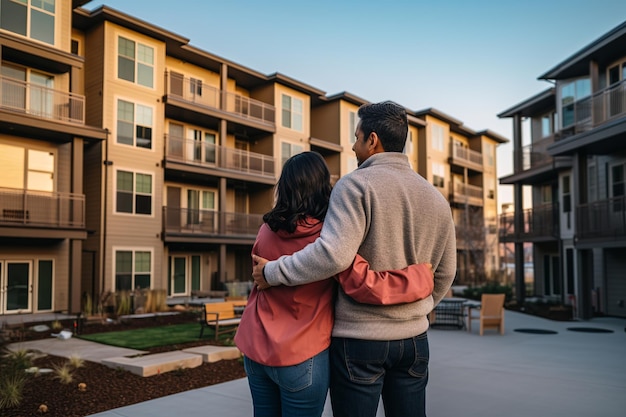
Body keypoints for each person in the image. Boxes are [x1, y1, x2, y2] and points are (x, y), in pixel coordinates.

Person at [252, 101, 457, 417]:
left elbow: (333, 255)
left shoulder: (355, 185)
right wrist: (418, 310)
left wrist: (273, 272)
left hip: (359, 341)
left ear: (372, 140)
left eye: (357, 137)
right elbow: (445, 272)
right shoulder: (436, 198)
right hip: (414, 340)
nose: (353, 145)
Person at [235, 151, 434, 417]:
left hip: (255, 350)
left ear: (284, 186)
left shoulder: (266, 230)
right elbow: (365, 284)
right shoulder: (328, 238)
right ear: (323, 186)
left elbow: (260, 277)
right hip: (300, 355)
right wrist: (422, 277)